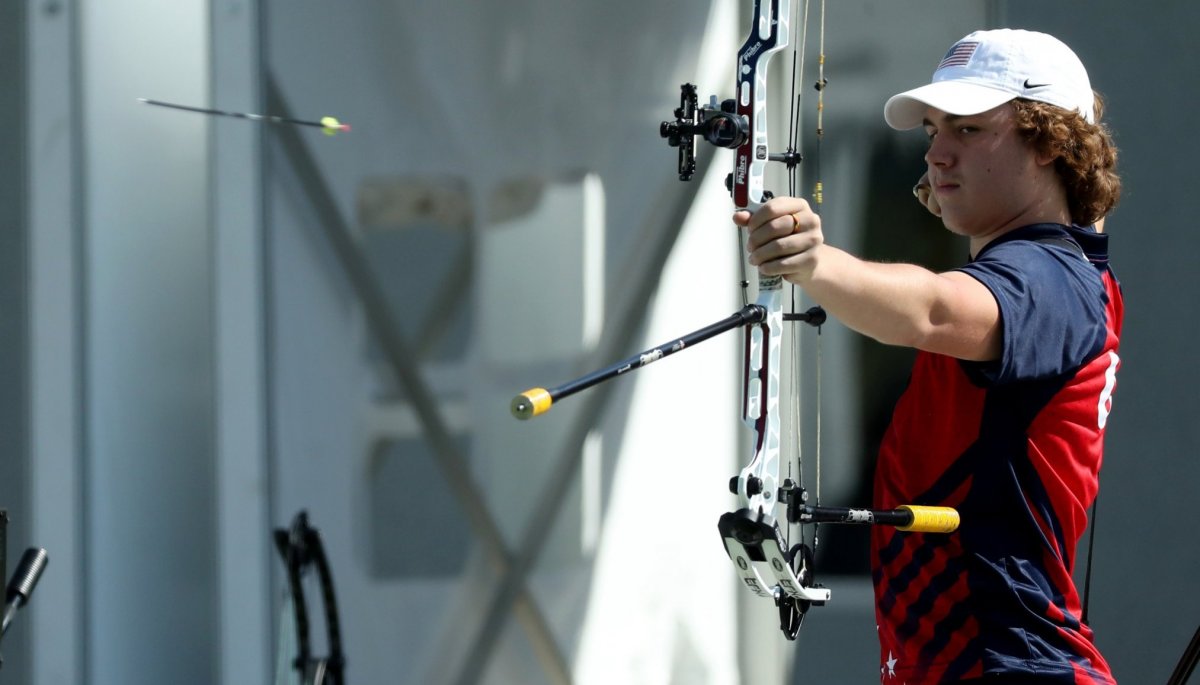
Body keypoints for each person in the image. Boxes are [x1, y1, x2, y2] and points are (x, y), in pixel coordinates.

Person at [734, 29, 1122, 684]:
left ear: (1051, 143)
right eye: (933, 130)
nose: (937, 152)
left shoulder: (1052, 279)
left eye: (969, 129)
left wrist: (816, 264)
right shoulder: (1065, 273)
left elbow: (933, 311)